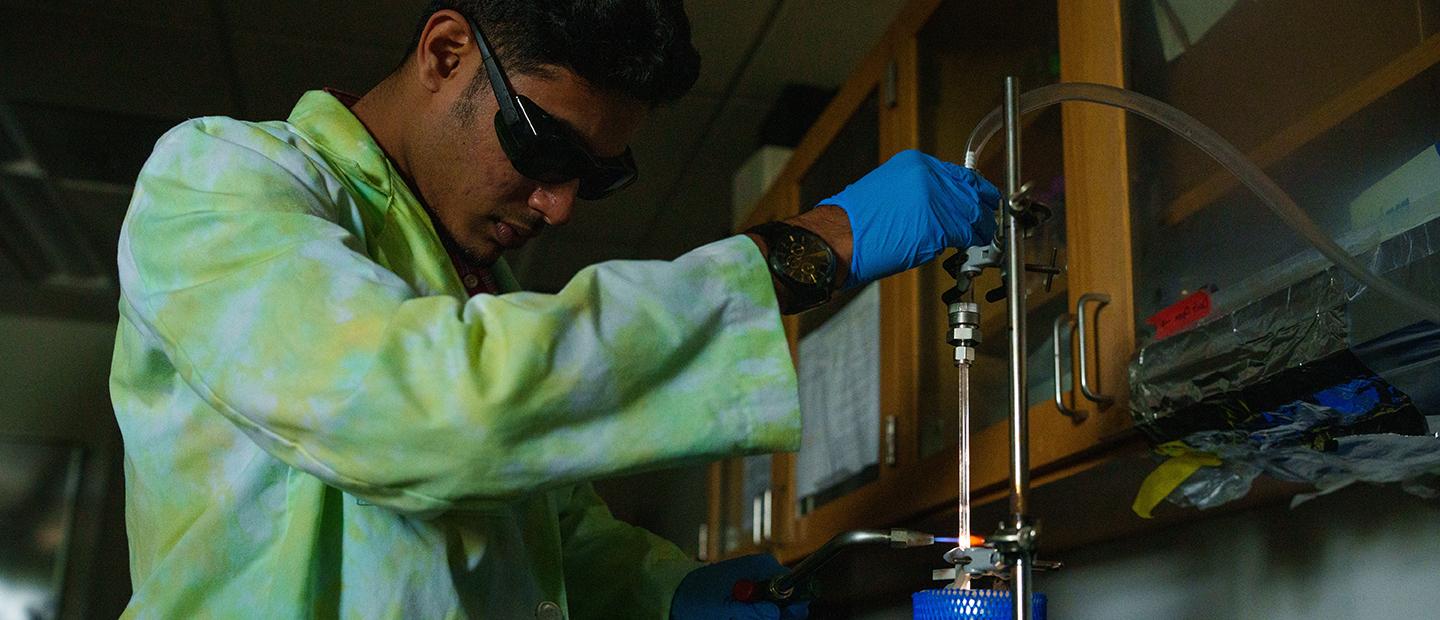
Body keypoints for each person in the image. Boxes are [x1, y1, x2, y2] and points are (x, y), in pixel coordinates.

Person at [108, 1, 999, 618]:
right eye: (544, 145)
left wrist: (664, 592)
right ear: (446, 53)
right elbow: (428, 411)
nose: (559, 205)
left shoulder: (480, 293)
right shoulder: (225, 179)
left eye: (597, 174)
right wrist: (807, 251)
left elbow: (544, 530)